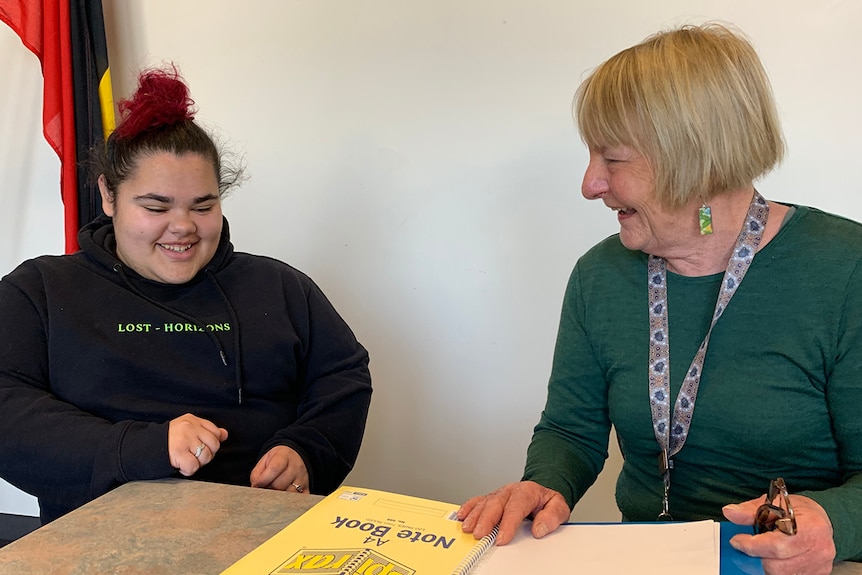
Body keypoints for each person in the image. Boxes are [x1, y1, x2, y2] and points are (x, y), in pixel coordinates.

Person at [458, 22, 862, 574]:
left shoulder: (845, 270)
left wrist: (835, 521)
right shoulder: (599, 275)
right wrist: (544, 483)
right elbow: (570, 430)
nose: (590, 184)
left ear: (693, 158)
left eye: (613, 159)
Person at [0, 66, 372, 524]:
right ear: (108, 196)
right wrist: (144, 447)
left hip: (263, 534)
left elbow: (343, 376)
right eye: (156, 207)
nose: (183, 227)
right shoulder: (39, 290)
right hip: (98, 543)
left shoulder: (281, 286)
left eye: (203, 206)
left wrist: (307, 451)